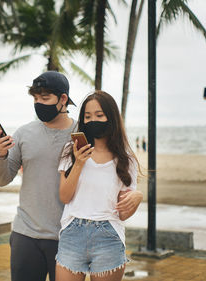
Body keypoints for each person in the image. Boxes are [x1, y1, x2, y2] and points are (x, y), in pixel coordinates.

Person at [0, 71, 77, 281]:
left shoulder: (80, 134)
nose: (39, 103)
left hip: (68, 236)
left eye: (45, 98)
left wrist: (133, 195)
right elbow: (2, 179)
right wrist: (1, 155)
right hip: (25, 235)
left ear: (63, 99)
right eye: (35, 99)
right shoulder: (24, 133)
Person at [56, 91, 143, 281]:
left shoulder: (126, 160)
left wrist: (137, 197)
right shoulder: (71, 150)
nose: (92, 120)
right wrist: (79, 163)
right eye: (87, 117)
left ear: (110, 118)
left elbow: (123, 213)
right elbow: (64, 196)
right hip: (72, 232)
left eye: (99, 115)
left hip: (108, 236)